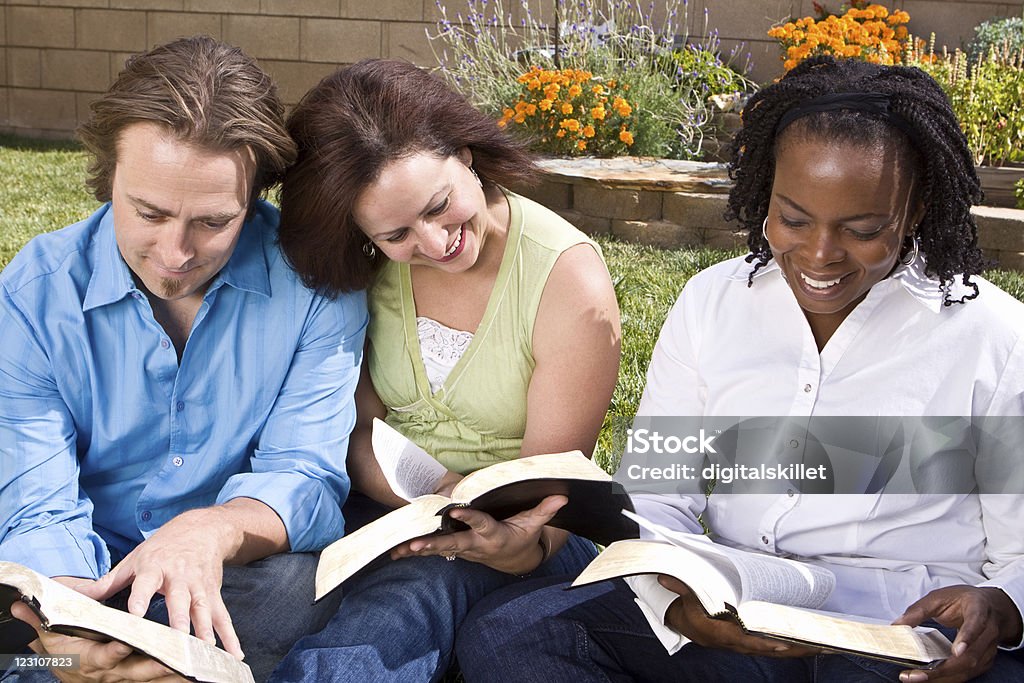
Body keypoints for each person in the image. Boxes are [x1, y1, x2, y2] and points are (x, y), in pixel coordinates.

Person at [456, 55, 1024, 683]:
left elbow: (1020, 554)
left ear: (915, 211)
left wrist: (1000, 606)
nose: (819, 254)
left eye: (862, 229)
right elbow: (658, 496)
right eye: (793, 219)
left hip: (896, 635)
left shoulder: (993, 338)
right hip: (736, 613)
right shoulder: (713, 303)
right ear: (765, 194)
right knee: (511, 633)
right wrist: (680, 602)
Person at [0, 36, 366, 682]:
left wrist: (211, 529)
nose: (175, 252)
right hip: (77, 571)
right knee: (29, 635)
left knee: (298, 589)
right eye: (149, 212)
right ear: (107, 173)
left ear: (254, 197)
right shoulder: (34, 292)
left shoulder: (316, 287)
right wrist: (70, 624)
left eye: (213, 222)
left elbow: (305, 475)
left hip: (233, 574)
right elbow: (37, 505)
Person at [267, 59, 621, 682]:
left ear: (466, 153)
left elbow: (554, 495)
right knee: (277, 589)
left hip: (526, 537)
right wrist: (440, 495)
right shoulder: (365, 268)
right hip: (382, 505)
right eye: (397, 233)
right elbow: (356, 428)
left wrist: (497, 533)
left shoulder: (567, 279)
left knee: (407, 599)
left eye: (439, 206)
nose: (434, 245)